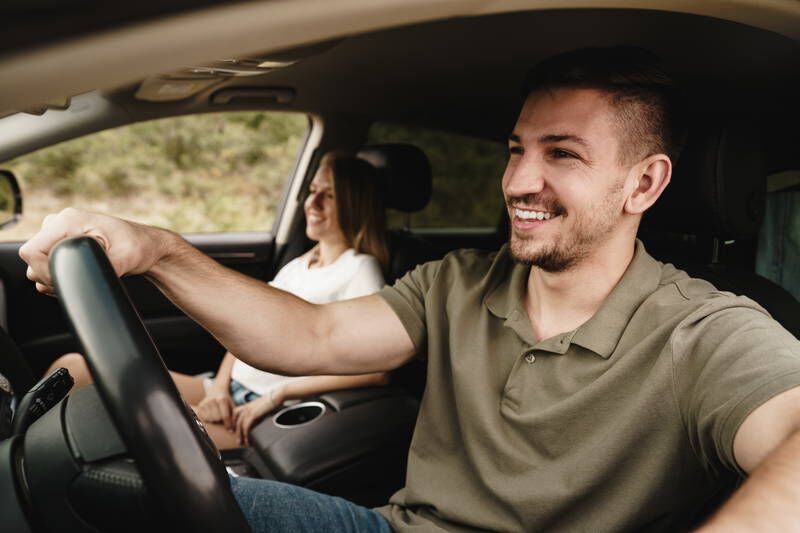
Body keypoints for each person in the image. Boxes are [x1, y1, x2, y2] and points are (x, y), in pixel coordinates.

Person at [19, 46, 800, 532]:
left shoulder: (706, 330)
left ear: (644, 183)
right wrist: (155, 249)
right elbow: (308, 337)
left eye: (562, 154)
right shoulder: (460, 281)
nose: (520, 180)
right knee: (88, 485)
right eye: (516, 149)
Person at [45, 152, 390, 448]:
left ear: (353, 203)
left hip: (257, 415)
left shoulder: (361, 268)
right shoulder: (300, 264)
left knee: (119, 421)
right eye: (312, 191)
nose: (311, 204)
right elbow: (250, 326)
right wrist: (219, 390)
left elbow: (377, 370)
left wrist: (278, 396)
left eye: (327, 196)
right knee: (74, 367)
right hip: (227, 386)